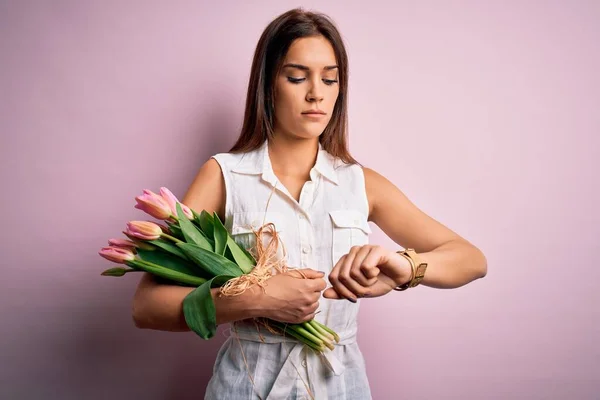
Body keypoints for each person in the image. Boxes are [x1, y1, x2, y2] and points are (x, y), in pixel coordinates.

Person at [131, 7, 487, 400]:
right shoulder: (223, 176)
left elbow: (470, 259)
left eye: (330, 79)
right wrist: (256, 298)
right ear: (268, 84)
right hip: (246, 388)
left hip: (341, 388)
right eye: (297, 77)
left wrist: (403, 267)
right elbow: (147, 306)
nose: (316, 92)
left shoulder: (361, 183)